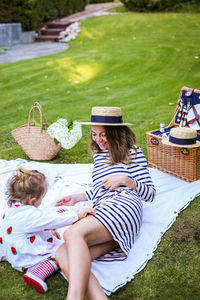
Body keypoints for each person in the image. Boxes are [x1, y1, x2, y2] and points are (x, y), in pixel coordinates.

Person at [55, 106, 156, 300]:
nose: (98, 139)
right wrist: (78, 197)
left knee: (72, 233)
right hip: (106, 207)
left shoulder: (132, 152)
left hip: (124, 204)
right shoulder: (98, 155)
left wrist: (127, 181)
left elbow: (150, 193)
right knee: (62, 253)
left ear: (116, 133)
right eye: (94, 134)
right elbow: (102, 187)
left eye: (103, 135)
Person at [0, 167, 96, 294]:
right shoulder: (31, 215)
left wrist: (48, 232)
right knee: (62, 252)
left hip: (9, 250)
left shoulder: (13, 208)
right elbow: (52, 220)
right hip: (24, 256)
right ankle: (37, 273)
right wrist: (77, 216)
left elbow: (31, 226)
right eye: (42, 197)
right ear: (33, 200)